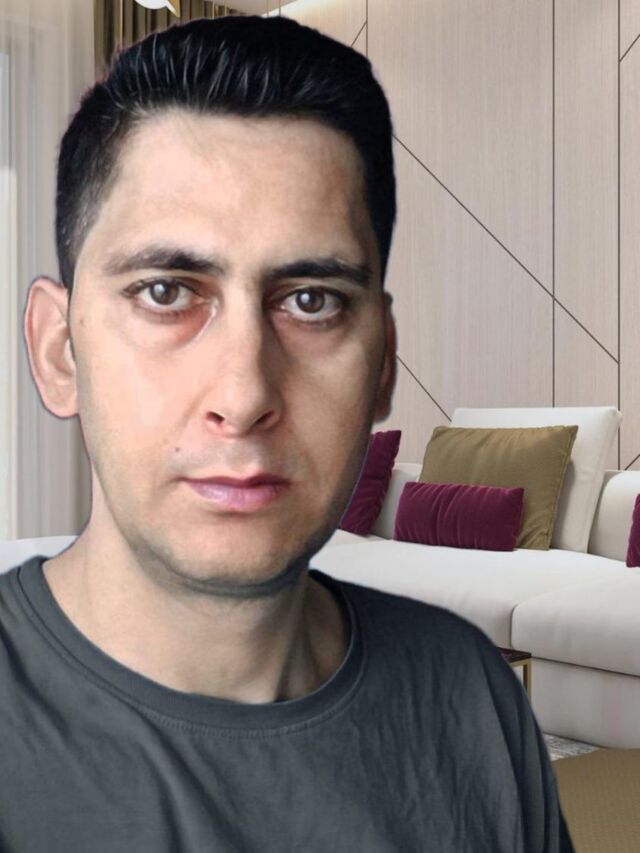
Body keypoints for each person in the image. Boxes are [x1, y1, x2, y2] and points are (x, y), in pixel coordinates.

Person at [0, 14, 575, 852]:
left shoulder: (471, 693)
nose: (244, 395)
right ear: (59, 352)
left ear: (383, 363)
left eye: (312, 301)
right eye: (167, 291)